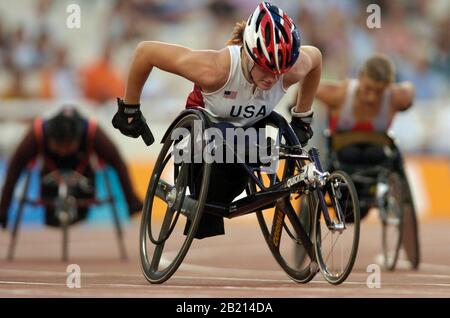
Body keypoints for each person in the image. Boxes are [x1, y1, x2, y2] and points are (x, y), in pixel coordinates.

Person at [111, 2, 322, 238]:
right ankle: (205, 206)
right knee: (234, 147)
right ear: (249, 53)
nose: (272, 78)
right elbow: (145, 51)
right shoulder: (216, 69)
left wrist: (302, 116)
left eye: (279, 71)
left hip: (245, 140)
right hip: (200, 135)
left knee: (252, 149)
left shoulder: (290, 70)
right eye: (266, 68)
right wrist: (130, 108)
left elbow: (316, 59)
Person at [0, 107, 143, 229]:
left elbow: (118, 163)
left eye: (67, 146)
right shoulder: (38, 133)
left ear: (77, 139)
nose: (63, 152)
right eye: (58, 146)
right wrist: (3, 209)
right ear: (49, 139)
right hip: (50, 192)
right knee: (51, 219)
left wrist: (131, 201)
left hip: (83, 190)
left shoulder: (91, 132)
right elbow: (15, 167)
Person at [315, 53, 415, 218]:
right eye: (368, 88)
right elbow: (309, 87)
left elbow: (409, 90)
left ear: (389, 86)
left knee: (383, 155)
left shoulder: (396, 97)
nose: (372, 97)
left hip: (375, 159)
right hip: (343, 158)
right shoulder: (340, 93)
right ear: (360, 77)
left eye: (379, 91)